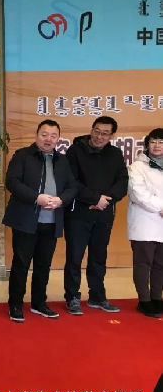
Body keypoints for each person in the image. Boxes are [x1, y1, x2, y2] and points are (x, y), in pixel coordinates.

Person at [3, 119, 79, 323]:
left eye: (53, 136)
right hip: (26, 221)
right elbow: (12, 182)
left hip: (52, 221)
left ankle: (39, 303)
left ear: (58, 138)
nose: (48, 139)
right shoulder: (22, 155)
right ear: (36, 135)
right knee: (21, 264)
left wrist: (61, 200)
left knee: (43, 265)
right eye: (44, 134)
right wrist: (36, 197)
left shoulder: (62, 160)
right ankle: (15, 304)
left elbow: (73, 186)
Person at [63, 116, 128, 314]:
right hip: (78, 214)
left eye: (105, 134)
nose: (100, 137)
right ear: (91, 130)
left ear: (112, 135)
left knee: (99, 257)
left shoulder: (115, 154)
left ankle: (97, 296)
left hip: (104, 214)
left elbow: (122, 181)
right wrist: (94, 199)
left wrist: (106, 200)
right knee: (74, 257)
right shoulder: (75, 151)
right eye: (97, 132)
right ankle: (72, 297)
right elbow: (71, 181)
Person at [127, 128, 163, 318]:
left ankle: (157, 298)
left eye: (161, 142)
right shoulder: (137, 166)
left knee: (160, 264)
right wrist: (161, 206)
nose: (157, 145)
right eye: (153, 141)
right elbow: (138, 193)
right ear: (147, 144)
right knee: (143, 263)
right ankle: (144, 300)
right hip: (144, 222)